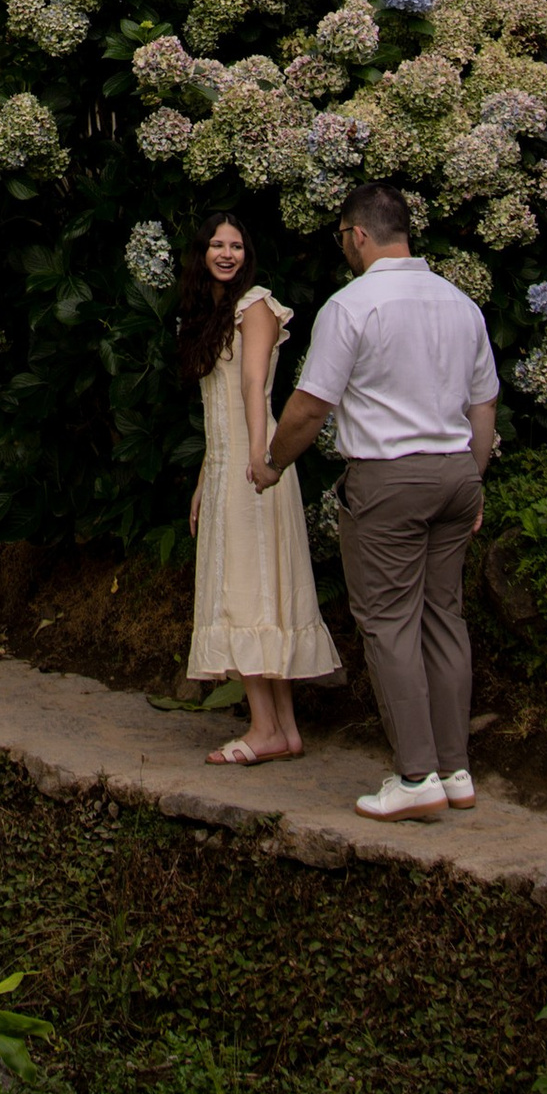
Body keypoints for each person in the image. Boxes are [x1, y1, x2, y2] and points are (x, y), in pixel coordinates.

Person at [253, 181, 498, 821]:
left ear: (357, 235)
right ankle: (456, 769)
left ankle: (416, 776)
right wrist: (472, 482)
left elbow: (310, 406)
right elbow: (483, 405)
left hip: (389, 479)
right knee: (444, 618)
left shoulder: (352, 305)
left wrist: (274, 463)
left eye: (342, 238)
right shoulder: (460, 304)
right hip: (454, 471)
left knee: (389, 623)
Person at [178, 212, 341, 764]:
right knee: (253, 587)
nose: (227, 254)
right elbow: (212, 410)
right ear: (201, 253)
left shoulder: (257, 306)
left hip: (256, 462)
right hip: (226, 463)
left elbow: (253, 385)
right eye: (217, 245)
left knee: (250, 589)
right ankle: (283, 731)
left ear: (250, 254)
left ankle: (267, 728)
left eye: (237, 245)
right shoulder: (207, 315)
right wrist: (207, 477)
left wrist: (255, 455)